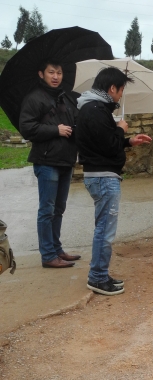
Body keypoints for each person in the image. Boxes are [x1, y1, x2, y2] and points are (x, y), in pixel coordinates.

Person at [75, 67, 151, 296]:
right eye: (120, 91)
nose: (120, 96)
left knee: (104, 229)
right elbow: (108, 145)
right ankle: (97, 277)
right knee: (105, 231)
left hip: (102, 175)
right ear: (111, 88)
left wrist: (128, 141)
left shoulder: (95, 109)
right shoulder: (95, 110)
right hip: (103, 177)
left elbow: (103, 143)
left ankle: (100, 274)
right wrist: (120, 129)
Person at [19, 61, 81, 268]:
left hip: (65, 160)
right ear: (41, 74)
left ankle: (57, 249)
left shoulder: (66, 98)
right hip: (46, 162)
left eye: (59, 73)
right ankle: (48, 255)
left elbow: (75, 122)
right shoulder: (34, 98)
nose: (56, 76)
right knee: (47, 210)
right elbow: (27, 128)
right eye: (51, 72)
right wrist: (56, 130)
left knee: (59, 209)